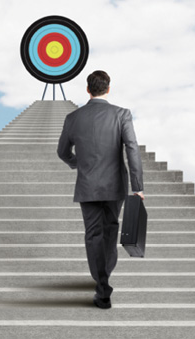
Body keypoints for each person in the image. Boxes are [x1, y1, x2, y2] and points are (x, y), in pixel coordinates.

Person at [57, 70, 145, 309]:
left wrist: (79, 164)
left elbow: (62, 152)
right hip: (115, 185)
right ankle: (104, 279)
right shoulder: (121, 114)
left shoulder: (73, 118)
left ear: (88, 90)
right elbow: (132, 149)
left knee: (93, 235)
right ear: (108, 88)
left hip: (87, 185)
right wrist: (137, 186)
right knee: (110, 231)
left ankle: (102, 282)